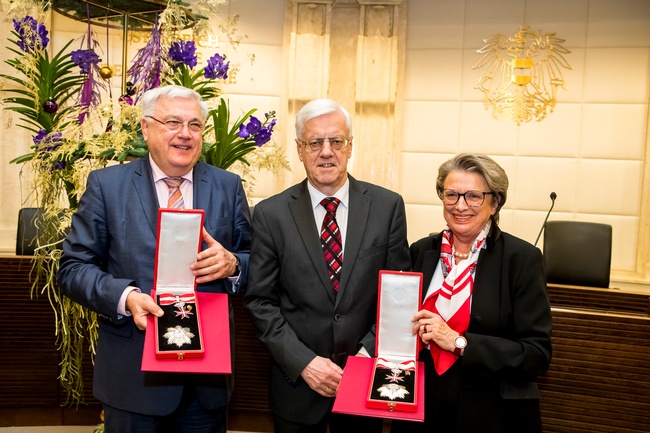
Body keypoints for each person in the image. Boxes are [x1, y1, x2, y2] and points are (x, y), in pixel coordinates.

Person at [57, 85, 251, 433]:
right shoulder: (107, 186)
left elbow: (256, 262)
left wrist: (234, 265)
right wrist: (126, 297)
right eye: (173, 122)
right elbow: (73, 269)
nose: (185, 134)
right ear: (146, 128)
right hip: (134, 378)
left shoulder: (228, 186)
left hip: (206, 380)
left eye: (194, 125)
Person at [243, 98, 411, 433]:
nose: (326, 151)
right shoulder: (271, 214)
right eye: (314, 142)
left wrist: (365, 358)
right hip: (296, 387)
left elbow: (400, 299)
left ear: (350, 147)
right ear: (299, 149)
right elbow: (260, 301)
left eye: (336, 141)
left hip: (365, 382)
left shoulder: (387, 207)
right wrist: (304, 363)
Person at [391, 153, 552, 433]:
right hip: (422, 409)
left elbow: (536, 354)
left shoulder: (522, 259)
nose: (460, 205)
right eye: (451, 194)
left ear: (495, 202)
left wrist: (459, 342)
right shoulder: (420, 251)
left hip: (491, 414)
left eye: (474, 196)